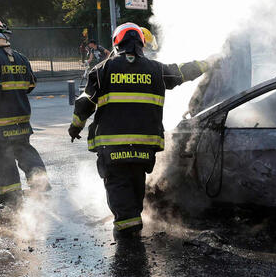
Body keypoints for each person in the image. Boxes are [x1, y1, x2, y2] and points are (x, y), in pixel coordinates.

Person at [68, 22, 212, 234]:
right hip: (145, 147)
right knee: (136, 182)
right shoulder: (156, 70)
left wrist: (75, 128)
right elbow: (182, 72)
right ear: (141, 44)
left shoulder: (102, 69)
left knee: (118, 185)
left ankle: (128, 238)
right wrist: (209, 63)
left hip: (112, 147)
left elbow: (84, 104)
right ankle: (132, 222)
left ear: (117, 43)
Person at [0, 17, 49, 206]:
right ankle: (41, 185)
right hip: (21, 121)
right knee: (26, 153)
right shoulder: (21, 58)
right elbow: (31, 84)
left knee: (2, 159)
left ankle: (11, 197)